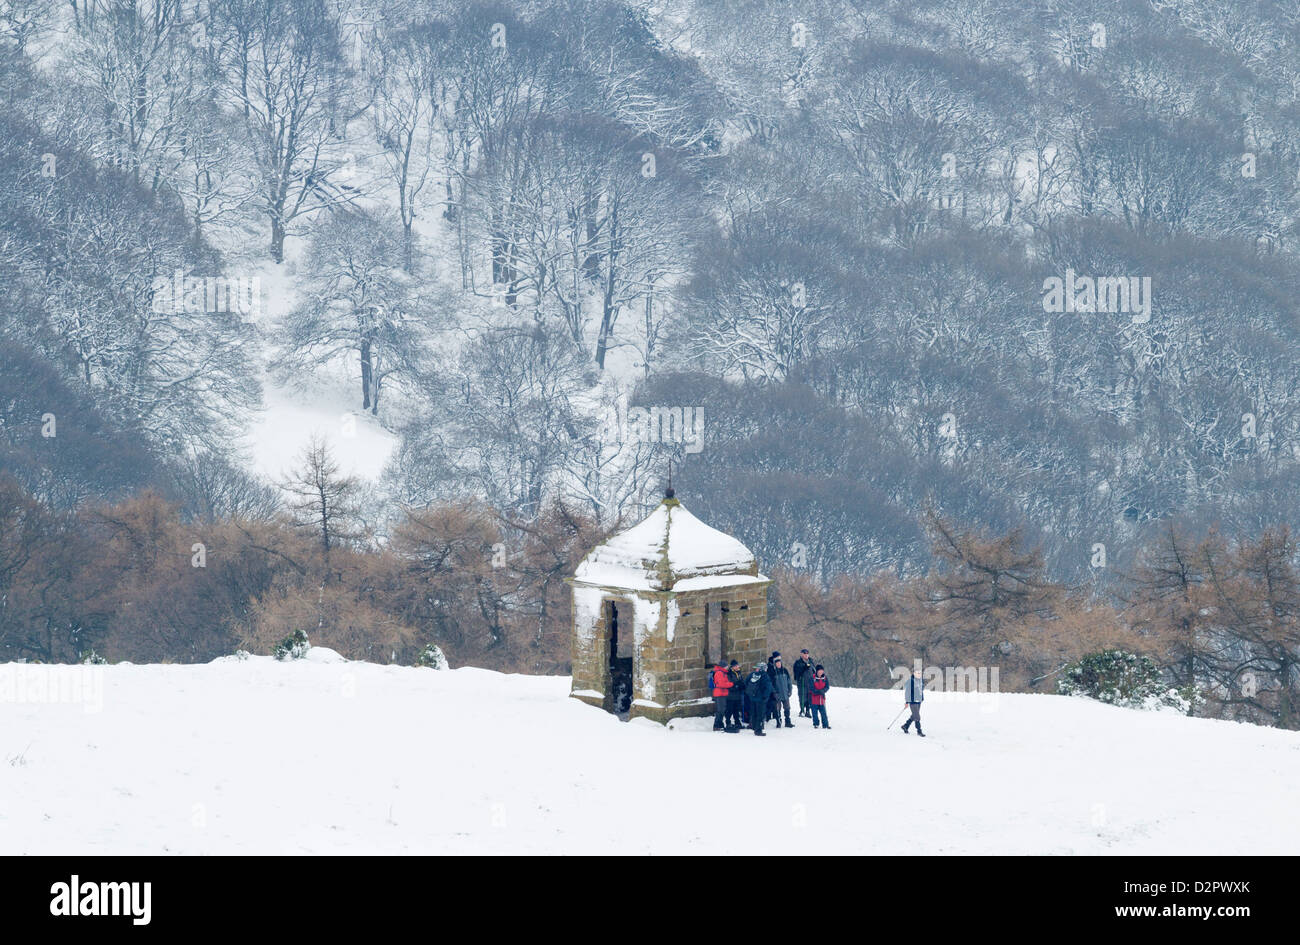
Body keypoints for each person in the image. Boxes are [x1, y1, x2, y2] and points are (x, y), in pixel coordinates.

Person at [744, 661, 773, 736]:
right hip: (761, 699)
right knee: (760, 714)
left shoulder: (752, 674)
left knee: (754, 713)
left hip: (752, 698)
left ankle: (754, 726)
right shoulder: (765, 675)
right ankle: (758, 730)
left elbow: (746, 682)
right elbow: (768, 687)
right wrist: (765, 696)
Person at [768, 655, 794, 727]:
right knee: (777, 709)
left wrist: (790, 690)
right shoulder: (773, 672)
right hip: (777, 694)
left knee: (787, 708)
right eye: (777, 663)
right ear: (775, 664)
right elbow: (771, 684)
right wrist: (774, 692)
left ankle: (788, 722)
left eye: (779, 663)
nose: (778, 664)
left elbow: (789, 681)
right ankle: (778, 722)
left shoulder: (785, 670)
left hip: (785, 693)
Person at [902, 667, 925, 737]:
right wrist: (907, 702)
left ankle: (905, 726)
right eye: (918, 673)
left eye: (920, 673)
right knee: (917, 716)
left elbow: (921, 689)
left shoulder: (920, 681)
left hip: (919, 701)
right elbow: (907, 693)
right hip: (913, 701)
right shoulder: (910, 681)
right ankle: (919, 731)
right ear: (914, 673)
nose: (919, 674)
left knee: (914, 715)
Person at [710, 660, 732, 731]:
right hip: (719, 694)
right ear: (723, 667)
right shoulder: (719, 673)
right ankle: (716, 725)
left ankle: (720, 724)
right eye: (726, 666)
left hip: (721, 693)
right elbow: (722, 684)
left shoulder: (722, 672)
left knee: (722, 710)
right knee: (720, 710)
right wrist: (731, 684)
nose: (727, 667)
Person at [793, 649, 815, 717]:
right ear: (801, 654)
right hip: (802, 683)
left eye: (807, 654)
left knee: (809, 697)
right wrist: (804, 668)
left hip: (810, 682)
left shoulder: (811, 661)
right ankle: (802, 710)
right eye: (804, 654)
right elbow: (797, 673)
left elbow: (814, 670)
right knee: (802, 697)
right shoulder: (798, 662)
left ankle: (808, 711)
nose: (806, 655)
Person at [724, 660, 745, 732]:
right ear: (732, 667)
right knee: (729, 710)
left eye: (737, 665)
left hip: (737, 695)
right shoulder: (729, 673)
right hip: (730, 695)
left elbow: (741, 681)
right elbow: (729, 684)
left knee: (736, 709)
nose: (737, 667)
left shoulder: (739, 673)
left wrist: (742, 685)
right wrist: (736, 685)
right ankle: (728, 722)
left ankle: (737, 722)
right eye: (735, 666)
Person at [808, 665, 831, 729]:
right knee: (814, 713)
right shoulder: (812, 678)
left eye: (822, 671)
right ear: (817, 671)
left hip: (822, 698)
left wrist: (823, 691)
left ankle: (825, 724)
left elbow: (827, 687)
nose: (821, 672)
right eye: (819, 671)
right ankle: (816, 724)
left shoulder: (825, 678)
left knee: (823, 712)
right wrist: (818, 692)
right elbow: (811, 688)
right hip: (813, 698)